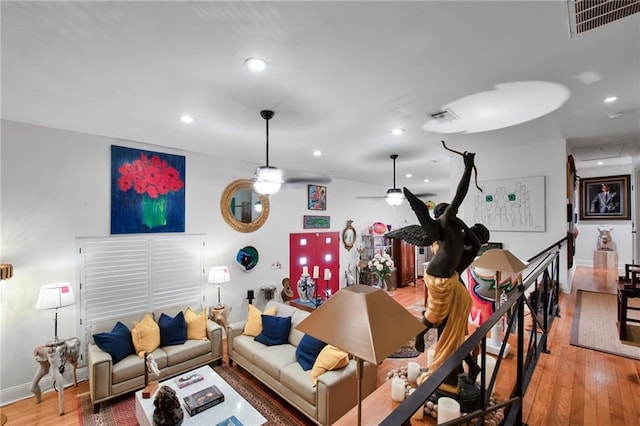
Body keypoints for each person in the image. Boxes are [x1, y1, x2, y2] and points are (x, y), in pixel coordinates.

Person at [402, 150, 485, 392]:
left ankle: (455, 363)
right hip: (439, 278)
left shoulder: (455, 231)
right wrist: (468, 167)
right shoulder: (448, 223)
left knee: (450, 321)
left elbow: (474, 244)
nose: (452, 211)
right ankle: (421, 335)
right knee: (439, 317)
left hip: (447, 278)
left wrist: (465, 228)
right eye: (449, 210)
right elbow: (460, 194)